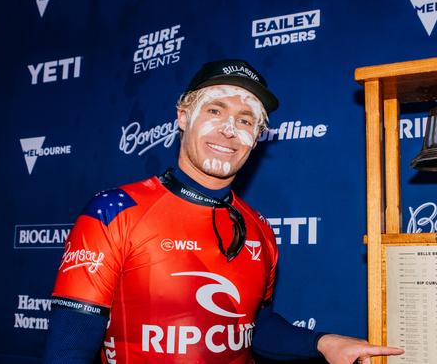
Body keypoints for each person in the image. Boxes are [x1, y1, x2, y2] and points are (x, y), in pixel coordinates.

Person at [43, 59, 404, 363]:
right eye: (215, 111)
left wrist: (324, 343)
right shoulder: (116, 211)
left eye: (246, 120)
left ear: (257, 137)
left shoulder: (259, 228)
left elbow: (251, 325)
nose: (230, 130)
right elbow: (71, 342)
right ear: (183, 116)